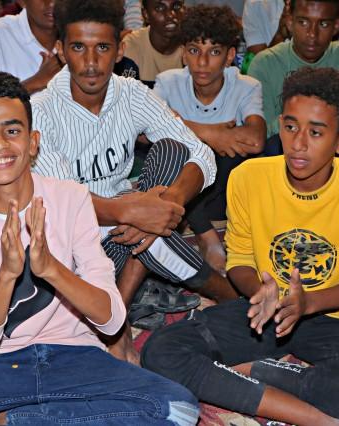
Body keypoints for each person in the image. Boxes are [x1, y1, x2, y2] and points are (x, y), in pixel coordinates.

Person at [0, 71, 200, 426]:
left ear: (33, 142)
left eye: (12, 131)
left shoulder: (71, 198)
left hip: (77, 358)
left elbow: (112, 319)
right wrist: (6, 277)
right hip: (0, 368)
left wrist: (52, 269)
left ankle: (18, 421)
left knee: (178, 408)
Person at [141, 67, 339, 426]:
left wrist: (308, 303)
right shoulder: (249, 177)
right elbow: (240, 258)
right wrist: (261, 291)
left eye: (315, 132)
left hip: (330, 315)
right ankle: (316, 419)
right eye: (290, 127)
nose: (298, 143)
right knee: (161, 351)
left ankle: (271, 374)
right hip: (264, 311)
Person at [32, 0, 238, 362]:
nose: (91, 62)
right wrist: (135, 213)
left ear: (119, 50)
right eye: (78, 47)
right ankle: (229, 297)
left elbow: (200, 152)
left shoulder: (131, 93)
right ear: (60, 50)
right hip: (77, 245)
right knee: (150, 234)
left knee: (173, 151)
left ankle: (118, 309)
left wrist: (168, 204)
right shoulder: (41, 109)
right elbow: (66, 202)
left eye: (102, 47)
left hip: (128, 228)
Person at [153, 4, 266, 275]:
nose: (202, 62)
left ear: (229, 56)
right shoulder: (167, 82)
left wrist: (182, 125)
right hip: (181, 186)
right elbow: (146, 130)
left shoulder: (246, 86)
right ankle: (206, 236)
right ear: (183, 53)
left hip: (220, 191)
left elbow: (256, 140)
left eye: (214, 52)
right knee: (171, 150)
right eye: (194, 51)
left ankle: (231, 228)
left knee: (244, 154)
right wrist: (212, 133)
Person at [248, 0, 339, 164]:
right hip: (290, 146)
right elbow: (264, 132)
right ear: (289, 22)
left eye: (324, 24)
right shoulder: (265, 63)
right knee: (272, 145)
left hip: (335, 143)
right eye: (303, 22)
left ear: (337, 26)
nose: (312, 34)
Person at [119, 0, 186, 87]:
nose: (170, 15)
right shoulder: (132, 45)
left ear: (185, 10)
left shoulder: (193, 45)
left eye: (176, 6)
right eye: (159, 8)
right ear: (145, 14)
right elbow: (127, 93)